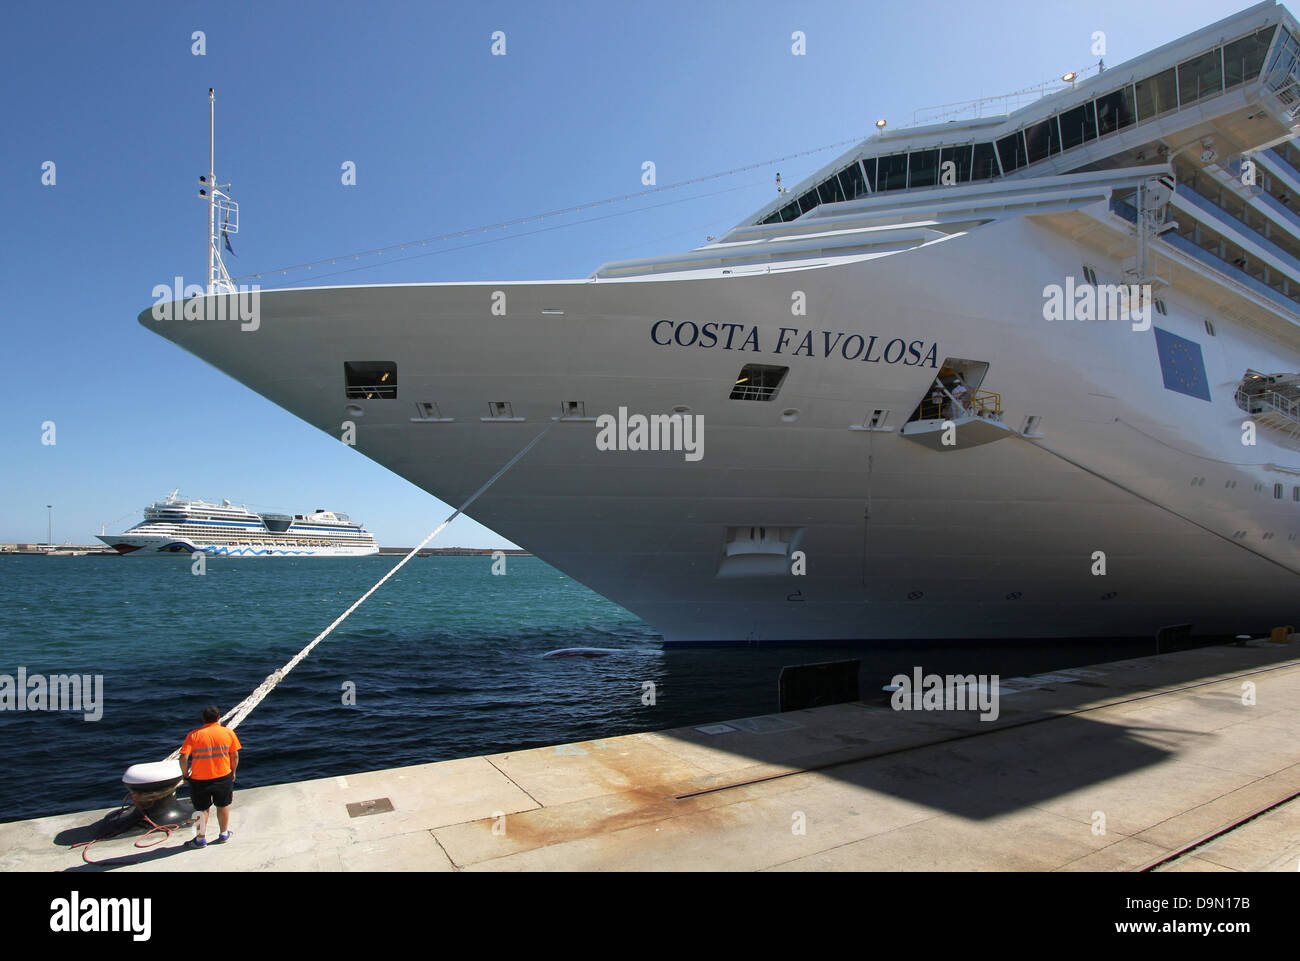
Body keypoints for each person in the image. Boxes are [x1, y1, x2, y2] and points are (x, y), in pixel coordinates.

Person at [179, 706, 242, 848]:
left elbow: (183, 758)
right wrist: (233, 771)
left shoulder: (193, 735)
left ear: (203, 719)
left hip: (199, 779)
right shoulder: (228, 733)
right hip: (223, 776)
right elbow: (235, 755)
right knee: (223, 805)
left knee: (201, 809)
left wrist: (185, 774)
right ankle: (224, 833)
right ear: (218, 718)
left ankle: (200, 839)